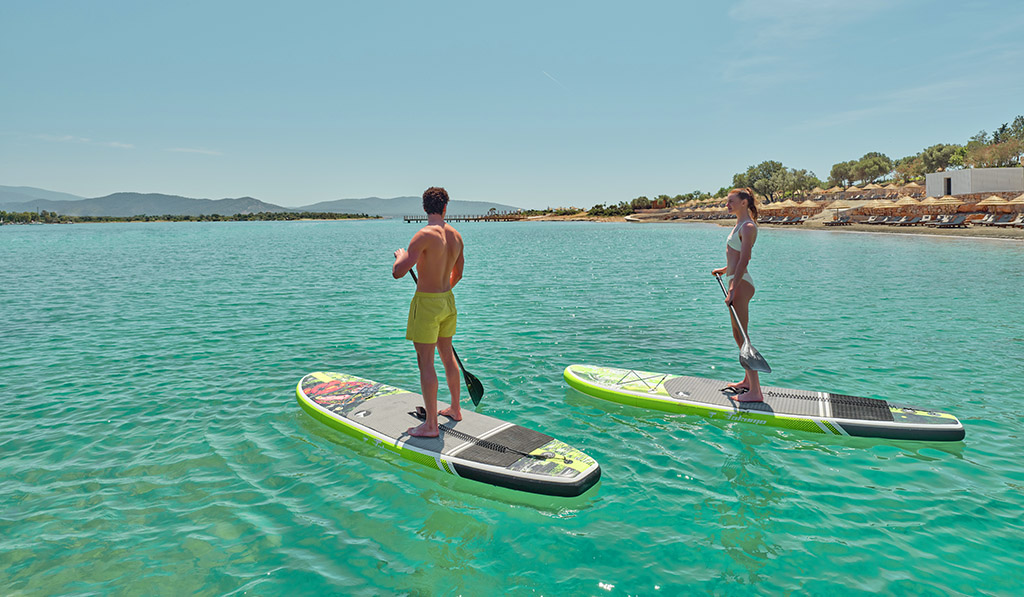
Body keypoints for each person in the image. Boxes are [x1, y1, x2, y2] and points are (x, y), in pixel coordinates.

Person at [392, 187, 465, 437]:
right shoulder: (456, 236)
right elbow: (459, 274)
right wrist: (442, 291)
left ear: (424, 208)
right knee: (447, 355)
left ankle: (431, 425)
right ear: (446, 207)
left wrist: (401, 256)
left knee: (426, 362)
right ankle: (455, 408)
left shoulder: (423, 235)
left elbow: (398, 272)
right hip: (447, 301)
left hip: (427, 304)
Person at [711, 187, 763, 402]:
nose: (727, 205)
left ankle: (756, 392)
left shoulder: (748, 226)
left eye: (731, 201)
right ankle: (747, 381)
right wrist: (725, 270)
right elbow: (735, 257)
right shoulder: (739, 225)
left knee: (743, 336)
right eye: (727, 201)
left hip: (741, 284)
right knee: (737, 334)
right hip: (735, 280)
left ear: (744, 202)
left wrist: (733, 288)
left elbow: (745, 259)